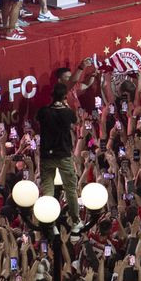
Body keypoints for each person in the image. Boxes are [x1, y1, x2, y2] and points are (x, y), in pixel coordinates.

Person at [37, 82, 80, 231]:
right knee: (70, 190)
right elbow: (75, 120)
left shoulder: (43, 112)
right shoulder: (67, 112)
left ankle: (50, 223)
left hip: (46, 157)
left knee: (48, 191)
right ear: (64, 97)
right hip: (63, 156)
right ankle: (75, 220)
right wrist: (66, 104)